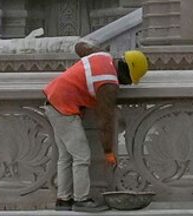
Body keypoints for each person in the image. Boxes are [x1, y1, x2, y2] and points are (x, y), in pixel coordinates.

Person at [43, 47, 150, 212]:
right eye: (128, 80)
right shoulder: (108, 85)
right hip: (64, 109)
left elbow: (80, 46)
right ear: (126, 71)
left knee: (65, 157)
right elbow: (105, 121)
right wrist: (108, 151)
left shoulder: (103, 56)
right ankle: (81, 200)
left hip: (54, 101)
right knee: (82, 157)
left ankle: (63, 199)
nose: (125, 84)